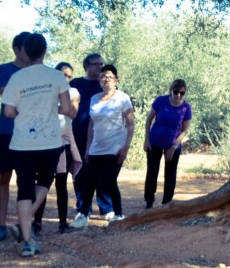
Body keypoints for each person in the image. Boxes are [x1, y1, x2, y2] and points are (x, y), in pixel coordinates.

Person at [1, 33, 75, 258]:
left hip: (22, 143)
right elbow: (67, 109)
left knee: (24, 188)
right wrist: (50, 107)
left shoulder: (16, 78)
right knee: (44, 181)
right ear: (44, 51)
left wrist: (25, 109)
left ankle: (27, 242)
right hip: (50, 141)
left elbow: (9, 112)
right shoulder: (57, 76)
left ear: (25, 51)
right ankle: (27, 228)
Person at [70, 65, 134, 229]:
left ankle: (118, 215)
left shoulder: (122, 98)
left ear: (116, 80)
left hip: (115, 147)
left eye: (110, 77)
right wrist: (87, 148)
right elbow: (91, 124)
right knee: (90, 182)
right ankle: (83, 216)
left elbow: (130, 124)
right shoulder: (94, 98)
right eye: (103, 77)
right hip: (96, 147)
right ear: (99, 80)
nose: (106, 79)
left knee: (108, 181)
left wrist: (125, 148)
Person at [0, 31, 31, 242]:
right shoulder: (3, 70)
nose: (30, 52)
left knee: (26, 181)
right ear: (16, 49)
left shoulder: (37, 71)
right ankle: (1, 225)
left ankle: (24, 225)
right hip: (7, 132)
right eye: (26, 47)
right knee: (4, 177)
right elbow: (8, 94)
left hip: (31, 133)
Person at [33, 62, 81, 234]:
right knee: (42, 181)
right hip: (44, 141)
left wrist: (52, 107)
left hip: (63, 142)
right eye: (63, 75)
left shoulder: (73, 92)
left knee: (61, 182)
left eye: (69, 76)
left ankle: (62, 223)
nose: (66, 78)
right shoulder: (45, 90)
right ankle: (36, 222)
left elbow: (73, 112)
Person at [69, 52, 111, 215]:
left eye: (102, 64)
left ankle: (106, 208)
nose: (100, 67)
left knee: (102, 172)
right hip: (78, 133)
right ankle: (83, 208)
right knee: (81, 172)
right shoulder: (76, 83)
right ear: (87, 66)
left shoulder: (107, 86)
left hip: (102, 135)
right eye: (96, 64)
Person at [142, 79, 191, 209]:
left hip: (173, 145)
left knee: (170, 173)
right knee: (152, 171)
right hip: (155, 141)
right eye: (176, 92)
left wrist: (173, 147)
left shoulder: (186, 107)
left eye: (182, 93)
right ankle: (149, 201)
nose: (178, 95)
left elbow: (185, 130)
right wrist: (146, 139)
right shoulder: (161, 101)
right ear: (171, 90)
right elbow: (149, 119)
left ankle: (167, 202)